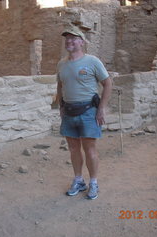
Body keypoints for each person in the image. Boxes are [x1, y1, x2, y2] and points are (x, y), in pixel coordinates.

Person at [56, 25, 112, 200]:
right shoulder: (61, 64)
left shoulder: (92, 61)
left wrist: (101, 108)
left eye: (73, 38)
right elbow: (60, 86)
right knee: (73, 149)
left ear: (82, 42)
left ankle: (93, 182)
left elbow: (108, 83)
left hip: (88, 111)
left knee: (90, 150)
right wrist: (61, 106)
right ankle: (79, 180)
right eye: (67, 38)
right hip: (69, 111)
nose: (69, 41)